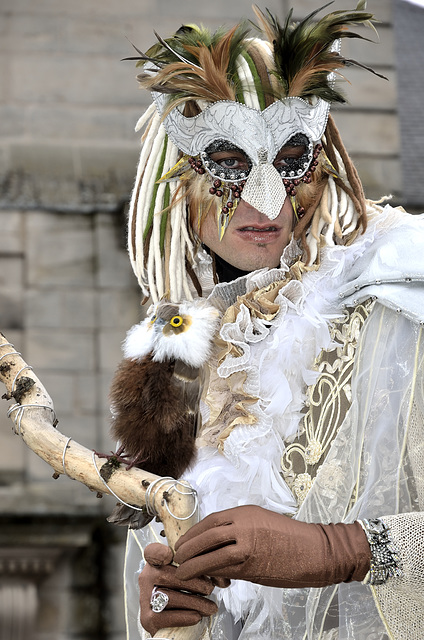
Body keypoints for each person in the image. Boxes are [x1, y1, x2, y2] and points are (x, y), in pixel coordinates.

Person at [119, 3, 424, 639]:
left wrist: (341, 550)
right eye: (228, 163)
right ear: (169, 183)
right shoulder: (174, 355)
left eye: (290, 159)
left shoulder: (404, 286)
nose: (268, 200)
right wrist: (171, 610)